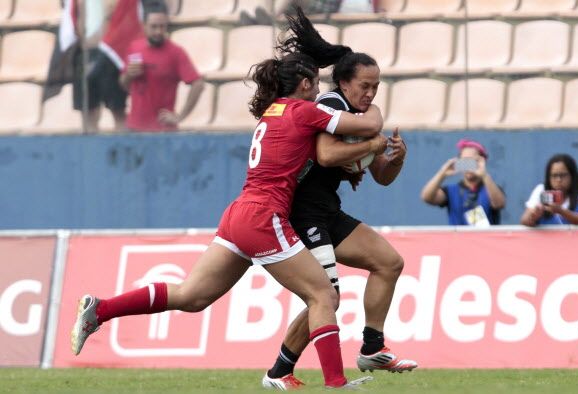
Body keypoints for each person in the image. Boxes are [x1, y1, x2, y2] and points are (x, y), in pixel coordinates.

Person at [70, 6, 385, 389]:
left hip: (238, 213)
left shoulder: (271, 111)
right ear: (303, 85)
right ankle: (335, 383)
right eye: (316, 85)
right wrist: (376, 133)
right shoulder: (303, 112)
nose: (320, 92)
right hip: (264, 216)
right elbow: (368, 122)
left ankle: (101, 310)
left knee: (191, 295)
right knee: (323, 294)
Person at [262, 52, 415, 391]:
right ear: (344, 83)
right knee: (326, 297)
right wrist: (373, 140)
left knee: (388, 263)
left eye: (376, 86)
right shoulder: (330, 104)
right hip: (302, 213)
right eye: (365, 85)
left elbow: (382, 176)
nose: (372, 93)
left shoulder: (358, 116)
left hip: (327, 211)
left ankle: (373, 348)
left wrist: (396, 159)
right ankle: (278, 372)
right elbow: (327, 155)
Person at [119, 1, 204, 132]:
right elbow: (124, 85)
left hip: (163, 131)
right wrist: (128, 76)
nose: (158, 31)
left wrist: (180, 117)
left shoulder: (176, 52)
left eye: (162, 27)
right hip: (134, 129)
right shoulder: (134, 48)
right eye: (154, 27)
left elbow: (198, 84)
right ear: (144, 26)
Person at [72, 0, 145, 131]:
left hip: (111, 54)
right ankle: (91, 149)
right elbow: (78, 23)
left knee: (117, 110)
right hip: (85, 53)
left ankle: (123, 147)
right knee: (87, 112)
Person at [420, 139, 506, 226]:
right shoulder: (451, 191)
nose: (468, 165)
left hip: (486, 239)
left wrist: (484, 175)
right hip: (457, 239)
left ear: (482, 162)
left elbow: (499, 204)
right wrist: (442, 173)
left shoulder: (491, 189)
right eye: (464, 161)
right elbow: (427, 197)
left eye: (472, 161)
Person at [520, 153, 578, 226]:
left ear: (572, 176)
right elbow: (524, 221)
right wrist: (534, 216)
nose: (558, 180)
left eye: (563, 175)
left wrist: (561, 211)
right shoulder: (541, 190)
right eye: (554, 176)